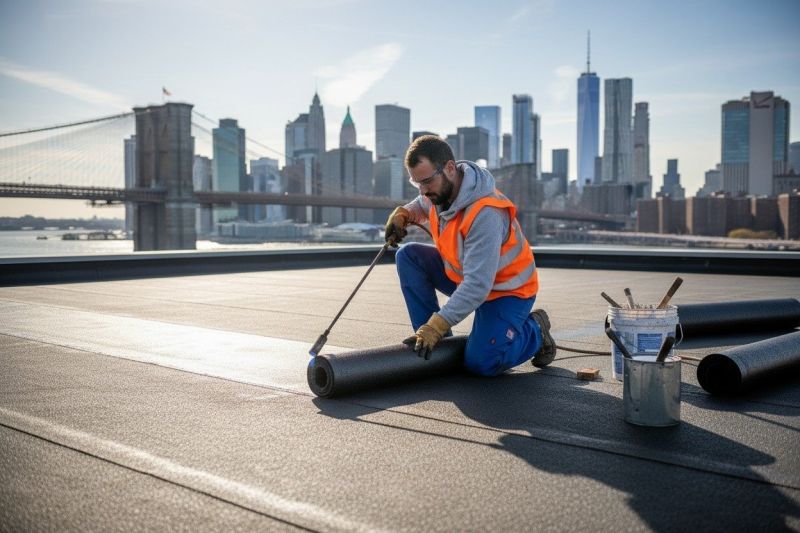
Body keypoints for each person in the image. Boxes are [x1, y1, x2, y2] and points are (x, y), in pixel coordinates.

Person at [384, 135, 556, 376]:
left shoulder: (486, 213)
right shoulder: (439, 193)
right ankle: (435, 346)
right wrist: (404, 213)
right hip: (467, 278)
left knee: (482, 363)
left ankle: (535, 329)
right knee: (408, 256)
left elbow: (477, 286)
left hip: (507, 291)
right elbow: (421, 205)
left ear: (450, 168)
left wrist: (438, 323)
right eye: (417, 184)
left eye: (427, 182)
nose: (423, 191)